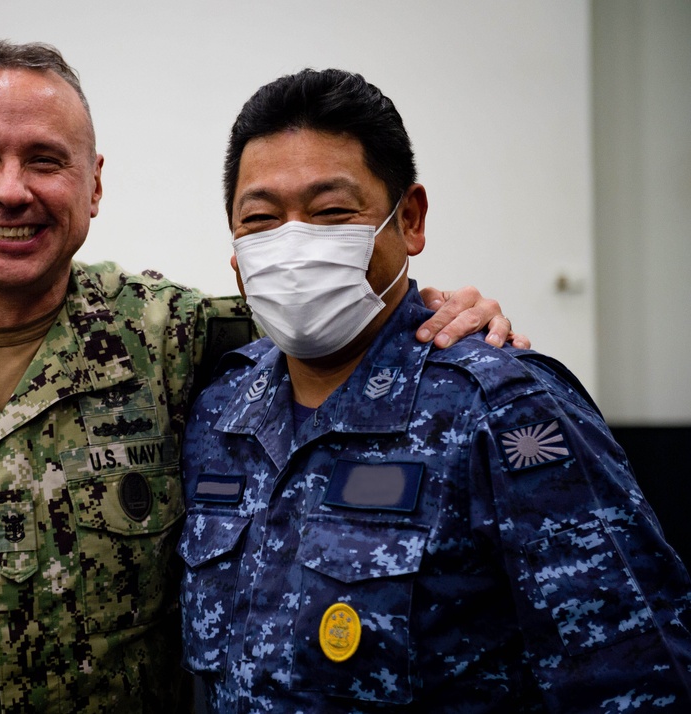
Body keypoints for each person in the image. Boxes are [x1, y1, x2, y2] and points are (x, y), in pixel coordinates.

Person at [0, 41, 520, 711]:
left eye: (46, 161)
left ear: (94, 187)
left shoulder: (172, 339)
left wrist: (440, 308)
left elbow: (330, 317)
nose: (12, 191)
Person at [178, 68, 691, 712]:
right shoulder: (220, 413)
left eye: (332, 212)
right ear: (235, 248)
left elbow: (634, 678)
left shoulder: (501, 408)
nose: (294, 243)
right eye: (261, 219)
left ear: (410, 220)